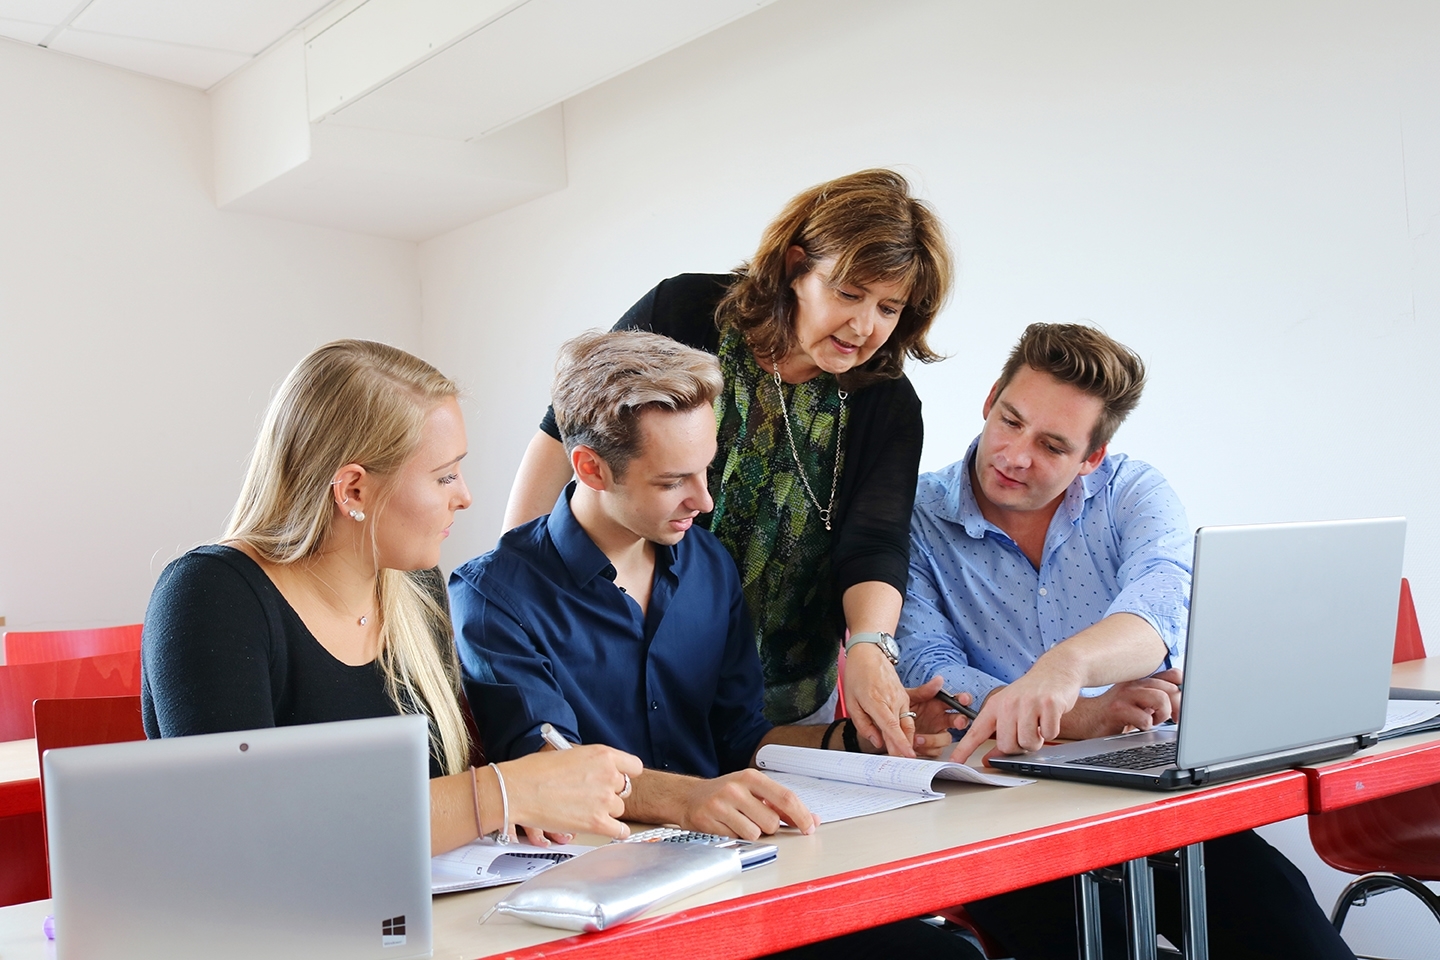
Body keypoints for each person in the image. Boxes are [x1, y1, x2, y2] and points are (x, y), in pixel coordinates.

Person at [454, 330, 976, 960]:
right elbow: (550, 778)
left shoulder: (708, 563)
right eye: (673, 481)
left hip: (736, 875)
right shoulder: (491, 595)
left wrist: (858, 736)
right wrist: (691, 797)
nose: (704, 501)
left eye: (707, 468)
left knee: (943, 953)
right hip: (604, 909)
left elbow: (742, 740)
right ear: (591, 467)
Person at [894, 323, 1358, 959]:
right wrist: (1082, 714)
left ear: (1093, 456)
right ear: (990, 398)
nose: (1015, 454)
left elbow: (1161, 608)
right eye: (1010, 420)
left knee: (1298, 939)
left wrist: (1068, 666)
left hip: (1146, 796)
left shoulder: (1131, 493)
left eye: (1052, 445)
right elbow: (930, 674)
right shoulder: (915, 517)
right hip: (1000, 819)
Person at [502, 169, 955, 758]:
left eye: (890, 308)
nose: (865, 326)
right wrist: (518, 589)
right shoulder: (688, 310)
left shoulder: (886, 402)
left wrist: (871, 645)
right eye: (848, 293)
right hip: (633, 662)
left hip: (780, 698)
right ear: (796, 267)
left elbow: (876, 540)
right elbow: (567, 436)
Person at [141, 339, 642, 856]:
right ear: (353, 490)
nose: (464, 496)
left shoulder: (414, 587)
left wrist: (529, 806)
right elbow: (244, 831)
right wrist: (502, 793)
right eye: (444, 475)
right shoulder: (210, 596)